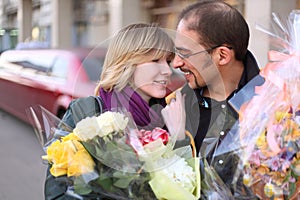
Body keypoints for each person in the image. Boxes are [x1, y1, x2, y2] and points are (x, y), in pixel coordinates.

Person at [44, 23, 186, 199]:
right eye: (156, 60)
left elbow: (188, 183)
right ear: (127, 62)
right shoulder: (87, 113)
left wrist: (179, 138)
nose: (167, 70)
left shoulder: (173, 114)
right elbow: (57, 193)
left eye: (168, 61)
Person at [172, 0, 261, 199]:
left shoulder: (274, 108)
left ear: (221, 55)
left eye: (185, 53)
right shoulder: (174, 105)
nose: (176, 63)